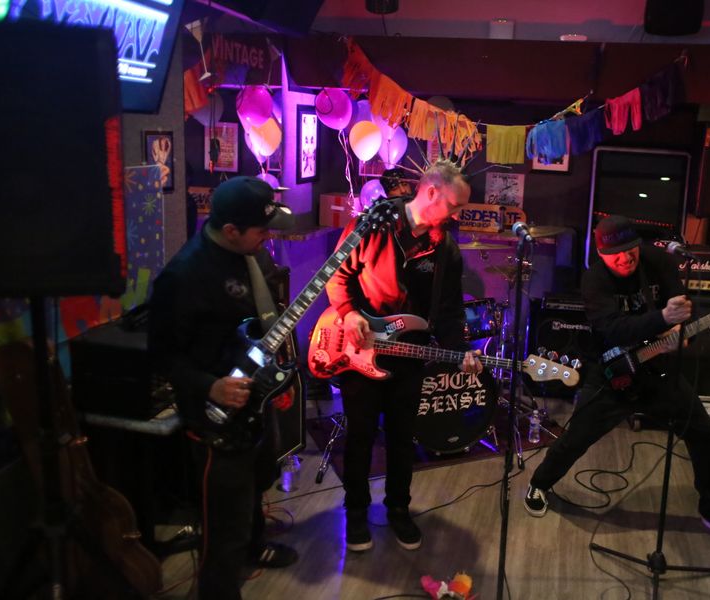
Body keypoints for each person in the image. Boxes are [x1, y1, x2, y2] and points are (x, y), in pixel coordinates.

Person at [523, 215, 710, 549]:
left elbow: (680, 308)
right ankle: (539, 483)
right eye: (616, 255)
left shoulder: (659, 262)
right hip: (611, 371)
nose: (626, 259)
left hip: (658, 370)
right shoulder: (594, 280)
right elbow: (612, 329)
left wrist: (682, 330)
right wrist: (662, 318)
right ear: (601, 254)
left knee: (703, 434)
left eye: (631, 250)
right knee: (576, 438)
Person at [149, 176, 299, 600]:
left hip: (254, 398)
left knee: (256, 484)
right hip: (215, 416)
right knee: (224, 524)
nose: (268, 238)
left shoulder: (251, 255)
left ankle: (254, 547)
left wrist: (276, 378)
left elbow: (260, 327)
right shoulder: (184, 277)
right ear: (231, 230)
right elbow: (161, 356)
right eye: (261, 230)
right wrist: (210, 387)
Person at [326, 159, 482, 552]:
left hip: (409, 353)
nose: (457, 214)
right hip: (361, 349)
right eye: (454, 205)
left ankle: (398, 508)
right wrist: (349, 314)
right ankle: (356, 512)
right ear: (431, 192)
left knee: (402, 438)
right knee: (360, 436)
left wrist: (460, 351)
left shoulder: (446, 249)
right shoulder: (374, 223)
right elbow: (337, 276)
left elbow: (449, 310)